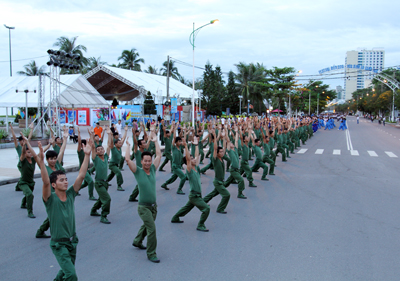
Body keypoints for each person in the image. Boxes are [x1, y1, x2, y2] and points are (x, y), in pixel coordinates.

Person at [40, 137, 92, 281]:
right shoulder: (50, 200)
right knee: (71, 275)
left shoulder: (70, 194)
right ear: (54, 185)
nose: (65, 182)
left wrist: (87, 155)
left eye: (66, 179)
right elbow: (45, 182)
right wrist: (40, 161)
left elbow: (81, 176)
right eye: (61, 180)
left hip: (72, 242)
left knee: (65, 271)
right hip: (59, 244)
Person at [125, 128, 162, 263]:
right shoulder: (138, 171)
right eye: (145, 161)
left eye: (149, 160)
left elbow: (159, 155)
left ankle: (137, 240)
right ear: (141, 161)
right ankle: (151, 253)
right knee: (152, 228)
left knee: (147, 225)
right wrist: (129, 146)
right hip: (143, 207)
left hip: (153, 207)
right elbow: (128, 159)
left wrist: (156, 141)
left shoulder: (152, 169)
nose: (147, 163)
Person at [171, 136, 211, 231]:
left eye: (193, 159)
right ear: (188, 162)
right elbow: (188, 159)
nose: (194, 159)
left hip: (197, 195)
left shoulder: (196, 168)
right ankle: (200, 225)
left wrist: (196, 145)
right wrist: (185, 146)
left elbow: (197, 155)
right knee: (206, 209)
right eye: (192, 159)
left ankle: (175, 217)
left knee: (186, 208)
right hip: (194, 196)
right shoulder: (189, 170)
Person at [36, 127, 68, 238]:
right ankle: (43, 231)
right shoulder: (45, 168)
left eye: (54, 158)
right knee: (53, 214)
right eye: (51, 159)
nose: (53, 160)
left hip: (59, 193)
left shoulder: (58, 165)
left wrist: (65, 138)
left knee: (54, 214)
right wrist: (41, 150)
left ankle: (41, 231)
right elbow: (37, 157)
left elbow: (62, 150)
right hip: (49, 195)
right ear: (47, 160)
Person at [203, 127, 231, 214]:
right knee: (226, 195)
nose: (223, 153)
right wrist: (215, 136)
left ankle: (203, 201)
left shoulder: (222, 159)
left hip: (221, 181)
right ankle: (220, 208)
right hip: (217, 182)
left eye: (223, 152)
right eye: (221, 152)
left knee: (213, 193)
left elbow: (223, 146)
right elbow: (215, 148)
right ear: (217, 153)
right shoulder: (215, 159)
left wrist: (224, 136)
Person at [89, 126, 113, 224]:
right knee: (107, 199)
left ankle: (93, 210)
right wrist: (91, 135)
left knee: (101, 198)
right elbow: (93, 147)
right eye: (98, 150)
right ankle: (104, 216)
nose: (101, 150)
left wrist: (109, 134)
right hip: (98, 183)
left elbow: (109, 145)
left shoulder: (106, 156)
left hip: (105, 182)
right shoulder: (96, 159)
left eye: (101, 149)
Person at [161, 123, 187, 194]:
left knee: (174, 178)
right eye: (179, 141)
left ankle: (165, 184)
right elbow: (175, 137)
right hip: (175, 166)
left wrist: (183, 130)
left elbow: (182, 137)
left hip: (179, 165)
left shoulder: (180, 147)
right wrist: (175, 128)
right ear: (176, 142)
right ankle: (179, 189)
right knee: (183, 177)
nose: (180, 142)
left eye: (180, 141)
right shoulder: (174, 147)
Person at [18, 133, 39, 218]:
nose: (30, 153)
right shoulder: (23, 160)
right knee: (30, 194)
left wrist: (49, 144)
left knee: (28, 194)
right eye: (28, 152)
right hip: (23, 182)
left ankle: (23, 203)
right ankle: (30, 212)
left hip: (31, 182)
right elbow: (22, 153)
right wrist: (24, 145)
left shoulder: (33, 160)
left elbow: (42, 152)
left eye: (30, 152)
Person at [223, 125, 247, 199]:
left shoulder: (235, 149)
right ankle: (240, 193)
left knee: (228, 182)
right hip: (233, 169)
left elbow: (236, 140)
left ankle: (220, 188)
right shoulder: (229, 151)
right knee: (241, 180)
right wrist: (226, 132)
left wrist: (237, 132)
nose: (232, 143)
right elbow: (228, 140)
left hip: (236, 169)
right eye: (230, 144)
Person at [10, 123, 34, 191]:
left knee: (24, 175)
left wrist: (31, 128)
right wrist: (12, 129)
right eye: (22, 140)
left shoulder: (26, 146)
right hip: (21, 164)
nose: (23, 142)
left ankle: (19, 186)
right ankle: (20, 186)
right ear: (20, 141)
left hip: (26, 163)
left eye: (24, 140)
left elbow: (29, 137)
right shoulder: (18, 147)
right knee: (23, 175)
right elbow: (14, 139)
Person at [106, 125, 128, 191]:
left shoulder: (120, 148)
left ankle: (105, 181)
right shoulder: (113, 148)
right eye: (119, 143)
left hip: (116, 164)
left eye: (121, 143)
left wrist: (126, 131)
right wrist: (110, 134)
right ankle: (119, 185)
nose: (121, 144)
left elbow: (123, 138)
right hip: (112, 164)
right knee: (118, 172)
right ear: (116, 144)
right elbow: (111, 142)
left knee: (112, 174)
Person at [77, 127, 96, 200]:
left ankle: (75, 190)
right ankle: (91, 196)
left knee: (85, 183)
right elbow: (79, 143)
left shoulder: (88, 150)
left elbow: (92, 142)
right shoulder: (80, 152)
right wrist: (79, 133)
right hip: (83, 170)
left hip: (88, 170)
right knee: (91, 181)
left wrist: (91, 134)